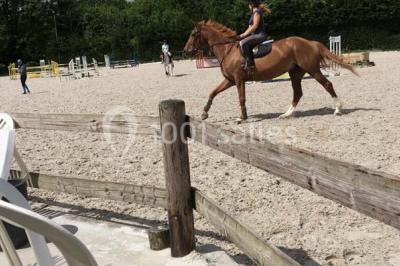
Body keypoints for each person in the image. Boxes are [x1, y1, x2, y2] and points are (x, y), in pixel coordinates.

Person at [238, 0, 271, 70]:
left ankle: (251, 65)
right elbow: (250, 28)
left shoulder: (257, 12)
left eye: (249, 5)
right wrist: (243, 34)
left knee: (243, 43)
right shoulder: (253, 14)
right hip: (255, 35)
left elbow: (255, 26)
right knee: (242, 42)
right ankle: (248, 61)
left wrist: (244, 35)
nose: (248, 7)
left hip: (260, 35)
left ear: (252, 5)